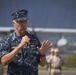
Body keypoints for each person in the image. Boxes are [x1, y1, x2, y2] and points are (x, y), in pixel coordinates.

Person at [0, 9, 52, 75]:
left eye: (25, 21)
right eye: (20, 21)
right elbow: (4, 61)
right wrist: (19, 46)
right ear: (14, 23)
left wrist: (43, 54)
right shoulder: (7, 40)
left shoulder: (34, 39)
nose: (23, 24)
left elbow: (42, 64)